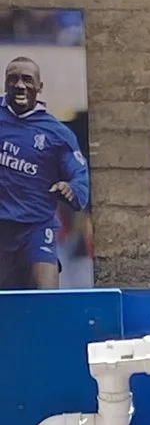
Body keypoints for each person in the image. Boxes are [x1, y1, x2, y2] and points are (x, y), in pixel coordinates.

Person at [0, 57, 88, 290]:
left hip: (37, 228)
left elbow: (79, 174)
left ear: (39, 87)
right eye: (13, 79)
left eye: (27, 79)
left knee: (46, 297)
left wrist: (72, 190)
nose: (20, 85)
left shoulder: (57, 133)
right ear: (5, 84)